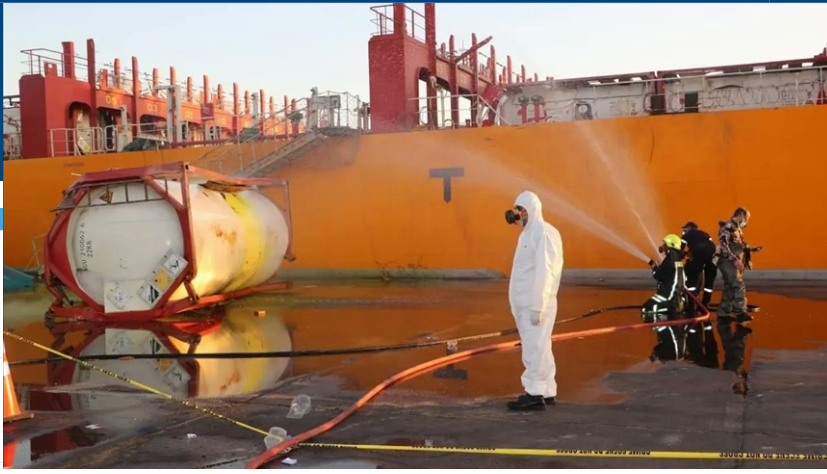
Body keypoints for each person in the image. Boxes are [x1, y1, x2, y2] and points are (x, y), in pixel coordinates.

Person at [504, 191, 564, 411]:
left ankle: (534, 393)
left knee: (534, 348)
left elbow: (546, 272)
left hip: (535, 304)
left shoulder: (544, 233)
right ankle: (547, 390)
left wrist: (538, 306)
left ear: (529, 209)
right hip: (526, 304)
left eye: (520, 209)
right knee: (541, 346)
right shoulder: (527, 234)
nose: (516, 214)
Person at [642, 234, 688, 362]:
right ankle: (672, 311)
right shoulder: (677, 261)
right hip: (675, 297)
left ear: (670, 247)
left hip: (669, 299)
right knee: (651, 305)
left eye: (665, 245)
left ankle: (662, 320)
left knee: (647, 309)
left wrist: (654, 267)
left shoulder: (669, 262)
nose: (663, 247)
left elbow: (659, 275)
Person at [717, 208, 763, 323]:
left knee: (730, 287)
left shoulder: (737, 229)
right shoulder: (727, 227)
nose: (746, 221)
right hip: (728, 262)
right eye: (746, 218)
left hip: (734, 262)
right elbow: (724, 245)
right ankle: (740, 313)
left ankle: (723, 313)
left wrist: (752, 249)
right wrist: (734, 260)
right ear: (740, 215)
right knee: (738, 285)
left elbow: (740, 245)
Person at [680, 221, 717, 315]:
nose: (683, 231)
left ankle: (691, 305)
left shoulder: (687, 235)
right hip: (711, 257)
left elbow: (680, 248)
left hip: (698, 256)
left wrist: (681, 255)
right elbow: (709, 245)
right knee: (709, 281)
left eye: (684, 229)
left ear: (690, 228)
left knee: (691, 278)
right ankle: (705, 304)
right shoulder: (705, 234)